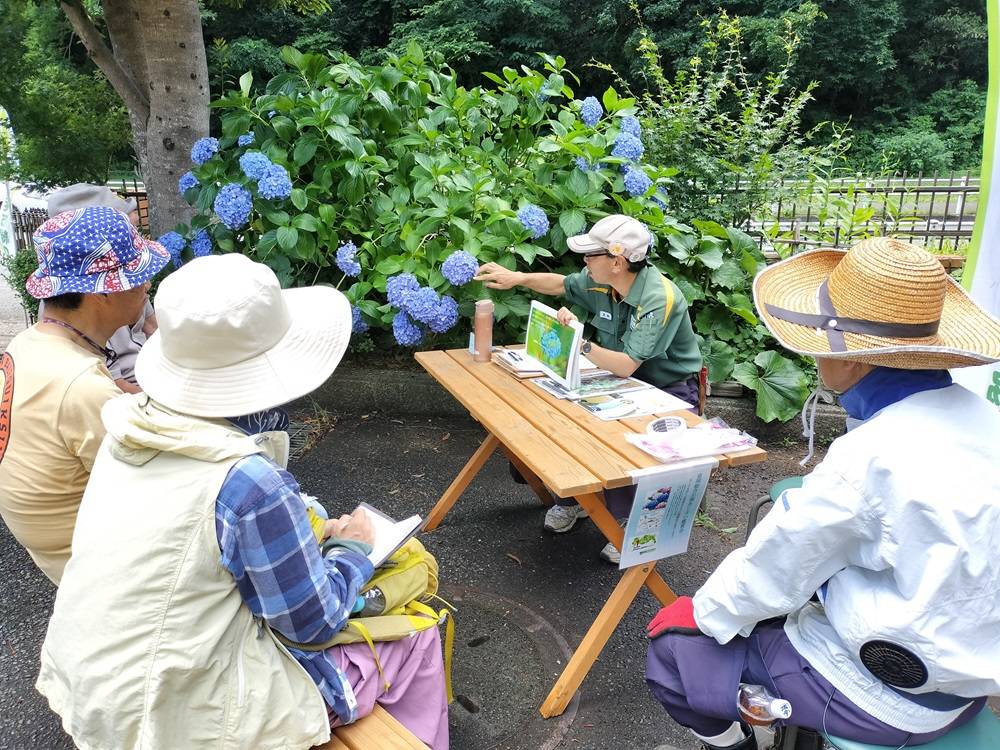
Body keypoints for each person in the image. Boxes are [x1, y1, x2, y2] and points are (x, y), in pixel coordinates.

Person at [36, 254, 449, 750]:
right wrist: (353, 551)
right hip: (181, 722)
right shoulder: (250, 483)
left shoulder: (127, 424)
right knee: (416, 637)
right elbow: (312, 622)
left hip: (93, 690)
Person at [644, 237, 1000, 749]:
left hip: (886, 694)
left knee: (673, 649)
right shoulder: (984, 419)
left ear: (850, 360)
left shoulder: (874, 452)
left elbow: (775, 567)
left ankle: (737, 744)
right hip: (969, 682)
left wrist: (699, 613)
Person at [475, 214, 703, 562]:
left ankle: (628, 522)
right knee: (565, 417)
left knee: (635, 448)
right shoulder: (601, 280)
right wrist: (516, 278)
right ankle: (577, 500)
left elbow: (627, 364)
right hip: (621, 380)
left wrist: (578, 340)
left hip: (668, 389)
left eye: (591, 255)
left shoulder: (659, 298)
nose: (584, 262)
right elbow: (562, 285)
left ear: (617, 260)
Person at [0, 206, 169, 583]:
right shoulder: (81, 386)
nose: (147, 286)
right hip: (96, 564)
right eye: (137, 277)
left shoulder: (28, 344)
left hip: (51, 545)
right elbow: (160, 482)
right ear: (101, 295)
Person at [44, 183, 158, 393]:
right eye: (126, 231)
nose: (135, 242)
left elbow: (154, 328)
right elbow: (112, 387)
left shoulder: (127, 279)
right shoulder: (74, 310)